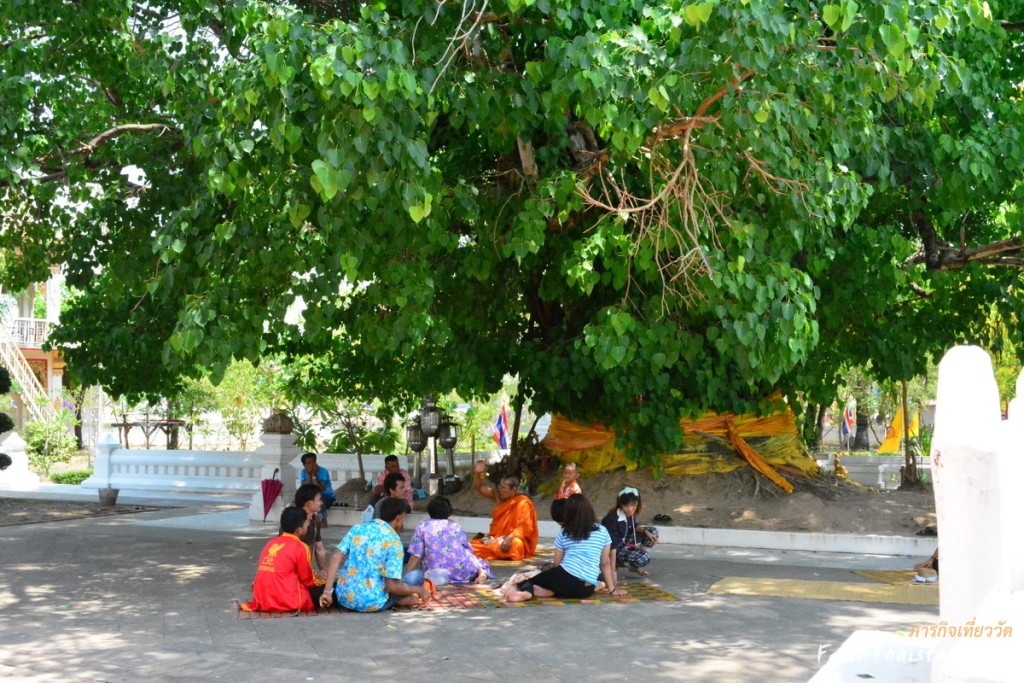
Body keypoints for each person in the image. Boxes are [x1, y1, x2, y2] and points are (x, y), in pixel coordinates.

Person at [506, 494, 624, 602]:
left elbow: (557, 564)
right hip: (586, 589)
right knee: (562, 583)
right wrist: (612, 590)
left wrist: (546, 571)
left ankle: (527, 593)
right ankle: (550, 591)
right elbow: (604, 564)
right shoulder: (603, 531)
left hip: (565, 578)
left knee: (527, 581)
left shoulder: (565, 531)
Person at [319, 497, 431, 612]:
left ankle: (402, 599)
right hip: (371, 603)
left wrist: (327, 592)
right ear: (400, 517)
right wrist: (420, 590)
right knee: (416, 576)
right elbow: (392, 586)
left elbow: (335, 556)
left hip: (344, 598)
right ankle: (401, 600)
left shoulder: (358, 528)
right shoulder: (394, 541)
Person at [240, 507, 325, 613]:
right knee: (330, 589)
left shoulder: (271, 542)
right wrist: (325, 582)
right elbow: (308, 580)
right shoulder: (301, 547)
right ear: (299, 530)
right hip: (287, 600)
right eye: (307, 523)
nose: (308, 525)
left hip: (263, 599)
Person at [406, 496, 492, 584]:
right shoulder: (455, 526)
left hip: (434, 574)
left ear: (430, 511)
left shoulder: (422, 526)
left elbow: (415, 555)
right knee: (479, 561)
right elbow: (467, 548)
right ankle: (482, 572)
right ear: (449, 513)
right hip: (461, 571)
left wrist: (405, 577)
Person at [469, 459, 539, 561]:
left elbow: (524, 527)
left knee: (516, 544)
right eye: (500, 487)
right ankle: (495, 548)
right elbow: (479, 486)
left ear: (513, 490)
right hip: (495, 540)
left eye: (504, 488)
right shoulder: (498, 497)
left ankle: (495, 548)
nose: (501, 490)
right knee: (469, 546)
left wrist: (509, 537)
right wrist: (477, 472)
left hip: (511, 540)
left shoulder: (523, 503)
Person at [601, 485, 659, 576]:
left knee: (653, 532)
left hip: (624, 540)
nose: (630, 509)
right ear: (620, 504)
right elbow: (611, 545)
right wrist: (613, 573)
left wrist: (645, 532)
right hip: (612, 547)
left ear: (637, 503)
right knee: (644, 558)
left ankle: (634, 563)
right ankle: (617, 563)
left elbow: (633, 526)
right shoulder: (612, 519)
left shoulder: (631, 513)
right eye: (626, 506)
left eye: (633, 505)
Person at [294, 484, 329, 580]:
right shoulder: (293, 521)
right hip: (293, 577)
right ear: (309, 503)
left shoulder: (314, 520)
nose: (321, 503)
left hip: (306, 574)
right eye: (319, 500)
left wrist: (323, 572)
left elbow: (319, 548)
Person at [299, 452, 336, 521]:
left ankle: (323, 519)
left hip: (326, 497)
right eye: (309, 463)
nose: (312, 465)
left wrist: (314, 475)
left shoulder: (323, 471)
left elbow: (320, 489)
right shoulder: (303, 472)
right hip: (311, 497)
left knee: (318, 497)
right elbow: (303, 488)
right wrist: (309, 475)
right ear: (304, 465)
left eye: (313, 462)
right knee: (299, 498)